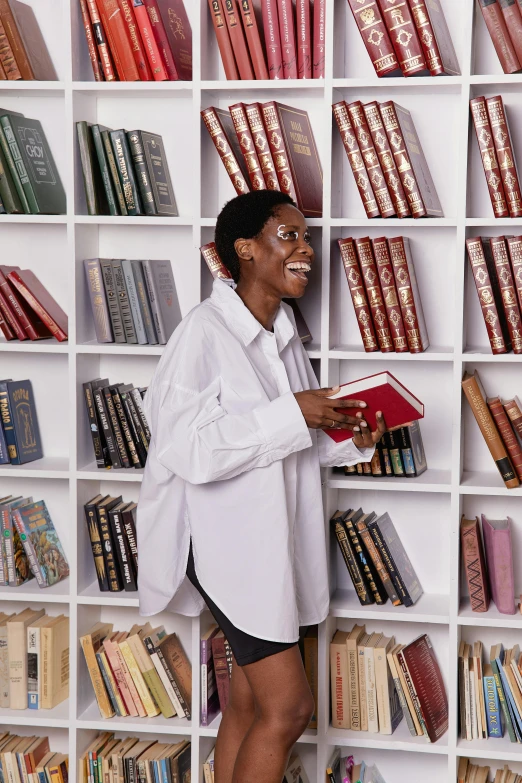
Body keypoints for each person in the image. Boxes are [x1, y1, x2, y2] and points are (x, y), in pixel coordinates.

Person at [137, 191, 386, 783]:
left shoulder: (283, 335)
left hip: (267, 543)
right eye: (288, 235)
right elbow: (189, 449)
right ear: (244, 250)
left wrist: (356, 436)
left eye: (306, 236)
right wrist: (294, 413)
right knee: (290, 707)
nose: (305, 249)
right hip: (224, 547)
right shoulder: (202, 333)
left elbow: (289, 445)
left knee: (249, 704)